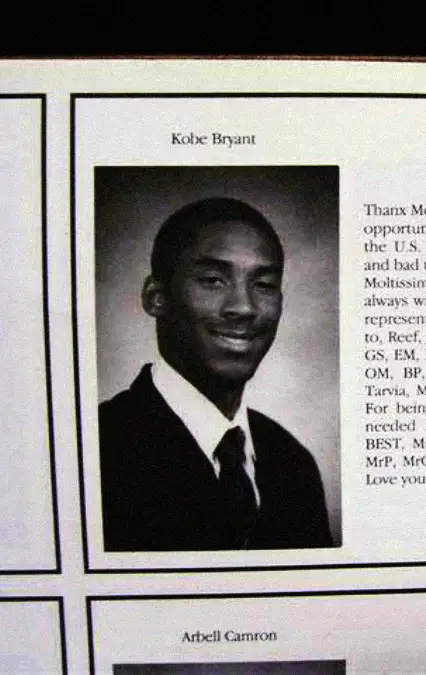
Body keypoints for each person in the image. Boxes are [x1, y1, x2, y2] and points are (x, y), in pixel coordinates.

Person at [98, 197, 334, 551]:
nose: (243, 307)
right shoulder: (100, 448)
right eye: (213, 280)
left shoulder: (292, 464)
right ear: (156, 297)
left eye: (264, 284)